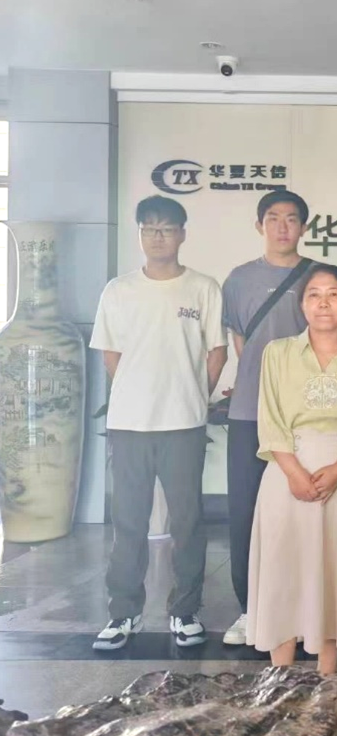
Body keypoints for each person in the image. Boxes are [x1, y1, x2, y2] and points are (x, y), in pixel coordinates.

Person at [90, 196, 227, 650]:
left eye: (166, 228)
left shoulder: (203, 288)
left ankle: (184, 612)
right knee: (128, 521)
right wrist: (138, 393)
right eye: (149, 228)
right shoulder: (119, 290)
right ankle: (123, 613)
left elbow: (216, 352)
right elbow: (111, 355)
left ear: (182, 234)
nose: (157, 236)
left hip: (183, 424)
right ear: (140, 234)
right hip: (130, 424)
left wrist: (193, 396)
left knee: (188, 522)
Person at [246, 264, 337, 674]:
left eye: (333, 294)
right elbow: (269, 418)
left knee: (334, 576)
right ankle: (279, 678)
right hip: (286, 474)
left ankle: (327, 678)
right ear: (302, 304)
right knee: (282, 573)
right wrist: (294, 471)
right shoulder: (278, 352)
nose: (323, 303)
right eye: (314, 294)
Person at [220, 190, 313, 647]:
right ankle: (249, 610)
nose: (282, 227)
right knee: (245, 513)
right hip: (249, 414)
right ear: (260, 225)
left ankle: (301, 610)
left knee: (302, 514)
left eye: (291, 219)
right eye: (273, 218)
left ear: (304, 227)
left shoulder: (317, 277)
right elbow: (241, 342)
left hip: (305, 420)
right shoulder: (239, 279)